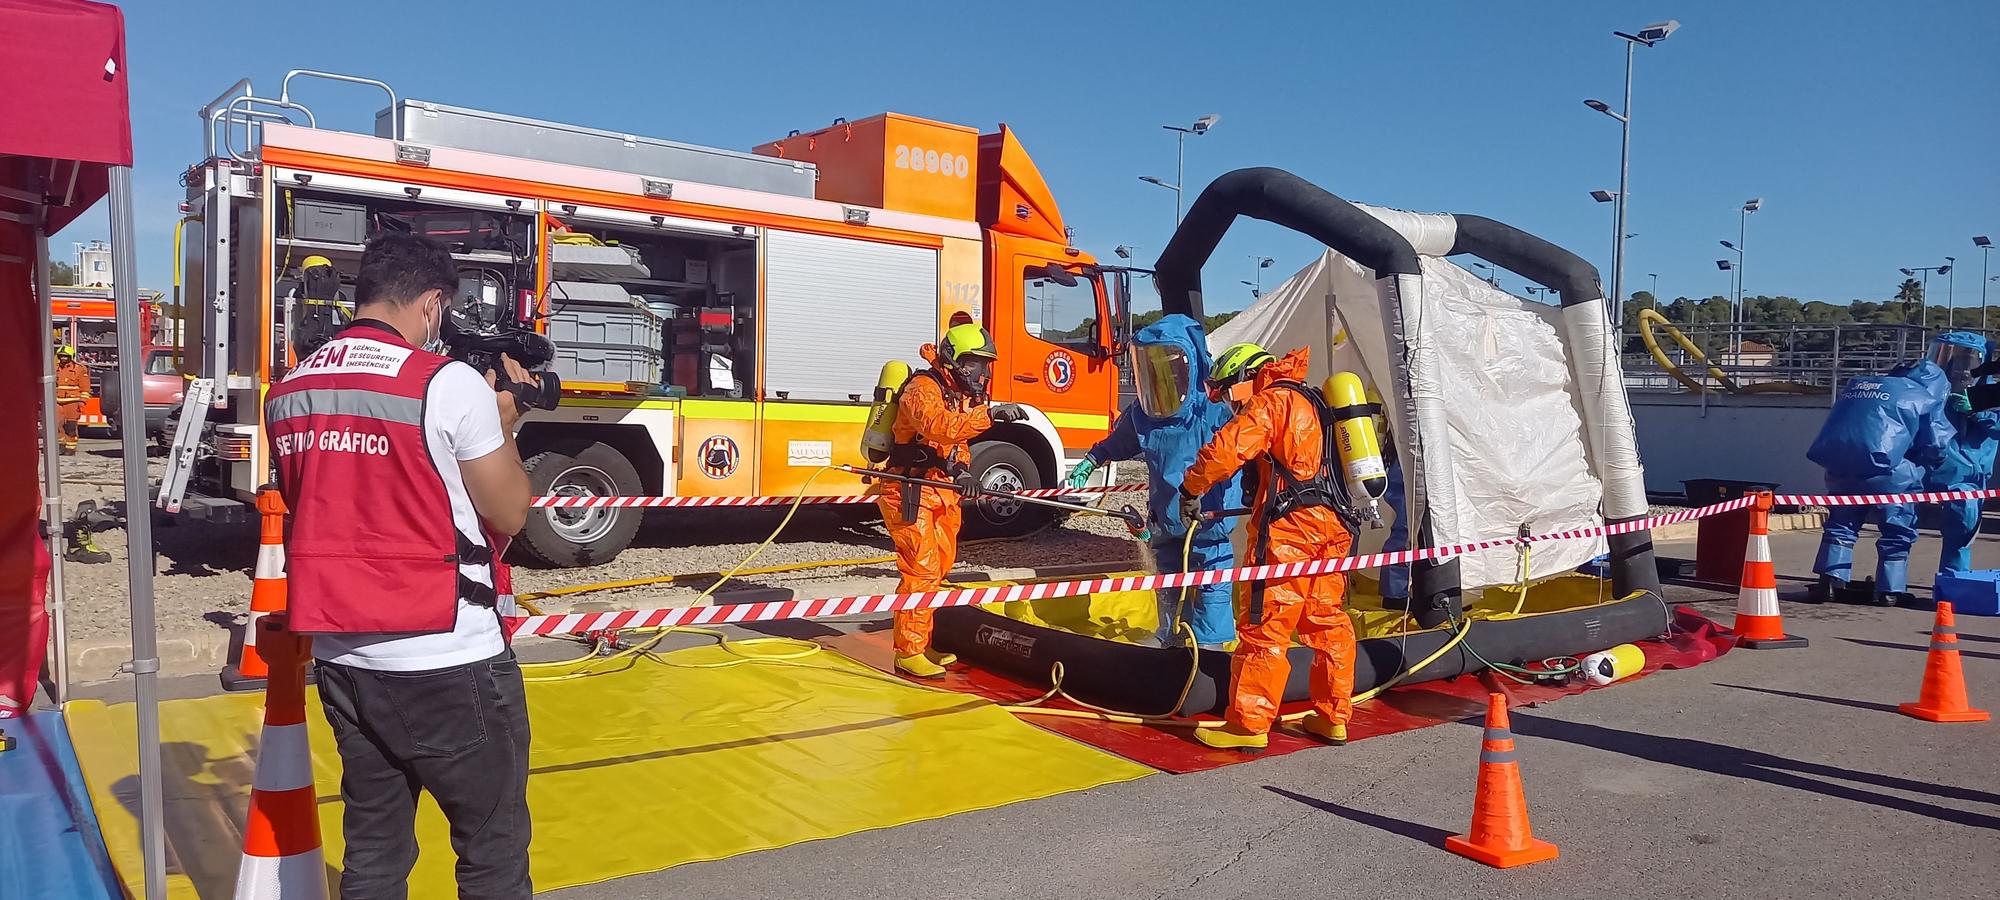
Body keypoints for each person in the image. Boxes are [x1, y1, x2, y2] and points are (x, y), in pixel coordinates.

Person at [264, 232, 535, 899]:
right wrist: (506, 419)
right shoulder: (448, 384)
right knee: (491, 850)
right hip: (447, 653)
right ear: (432, 303)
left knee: (376, 849)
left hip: (344, 656)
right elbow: (508, 514)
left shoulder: (291, 387)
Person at [1179, 344, 1357, 752]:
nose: (1228, 402)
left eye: (1228, 392)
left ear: (1245, 376)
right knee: (1326, 621)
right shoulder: (1314, 398)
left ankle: (1248, 725)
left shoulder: (1271, 401)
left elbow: (1227, 449)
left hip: (1289, 533)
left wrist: (1191, 488)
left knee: (1265, 626)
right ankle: (1333, 717)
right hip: (1335, 526)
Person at [1066, 315, 1242, 647]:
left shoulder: (1214, 410)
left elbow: (1246, 449)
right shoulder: (1143, 416)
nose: (1161, 377)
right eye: (1151, 366)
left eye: (1168, 366)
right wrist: (1091, 461)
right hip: (1166, 526)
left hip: (1207, 527)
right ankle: (1169, 644)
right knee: (1168, 592)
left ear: (1188, 366)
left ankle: (1209, 657)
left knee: (1211, 593)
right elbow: (1118, 443)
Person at [876, 323, 1025, 677]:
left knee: (939, 567)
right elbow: (938, 426)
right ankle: (908, 651)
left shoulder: (955, 394)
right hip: (909, 491)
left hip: (939, 491)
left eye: (987, 364)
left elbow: (953, 445)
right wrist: (989, 415)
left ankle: (921, 642)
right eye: (977, 363)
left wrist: (963, 473)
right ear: (954, 359)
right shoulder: (921, 389)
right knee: (921, 569)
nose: (984, 372)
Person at [1806, 334, 1957, 605]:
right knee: (1897, 528)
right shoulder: (1924, 395)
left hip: (1840, 470)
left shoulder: (1861, 385)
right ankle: (1890, 589)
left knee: (1840, 525)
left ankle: (1829, 581)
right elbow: (1935, 444)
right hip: (1890, 475)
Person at [1924, 332, 1998, 578]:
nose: (1959, 368)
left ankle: (1951, 582)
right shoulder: (1931, 391)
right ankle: (1889, 585)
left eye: (1968, 360)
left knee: (1962, 528)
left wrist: (1978, 412)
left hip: (1968, 473)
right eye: (1950, 357)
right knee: (1897, 526)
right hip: (1927, 467)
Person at [54, 344, 90, 455]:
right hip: (57, 402)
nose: (63, 358)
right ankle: (61, 445)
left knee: (70, 426)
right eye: (61, 356)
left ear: (71, 356)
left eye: (66, 356)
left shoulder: (79, 369)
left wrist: (82, 401)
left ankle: (71, 448)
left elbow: (85, 387)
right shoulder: (54, 368)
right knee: (56, 425)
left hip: (73, 402)